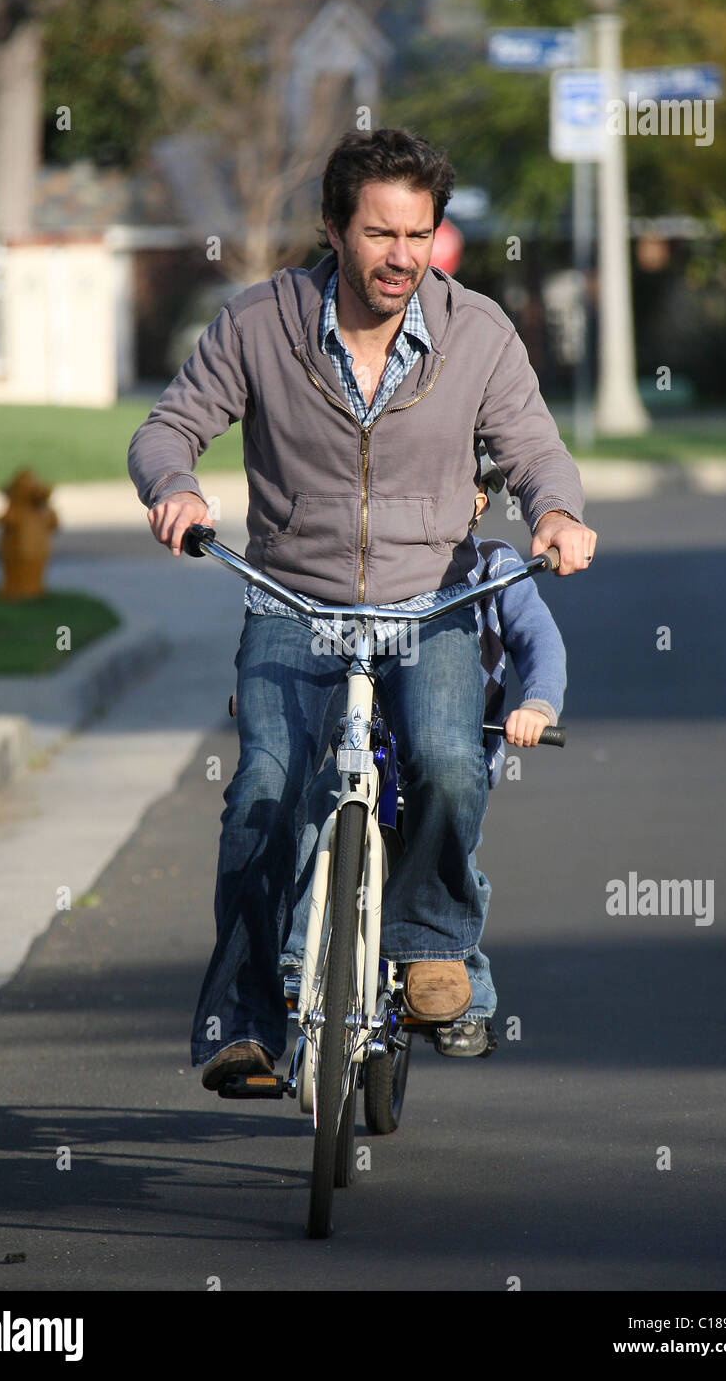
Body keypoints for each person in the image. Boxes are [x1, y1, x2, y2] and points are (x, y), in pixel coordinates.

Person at [127, 127, 597, 1092]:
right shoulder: (259, 323)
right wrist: (173, 485)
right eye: (380, 234)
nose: (401, 257)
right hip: (292, 599)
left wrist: (555, 511)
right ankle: (245, 1021)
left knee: (452, 761)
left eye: (418, 235)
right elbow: (168, 427)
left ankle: (432, 946)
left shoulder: (478, 334)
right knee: (263, 784)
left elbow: (535, 450)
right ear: (334, 230)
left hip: (434, 603)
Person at [273, 449, 567, 1058]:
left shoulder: (495, 567)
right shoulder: (367, 569)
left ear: (480, 502)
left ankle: (468, 1001)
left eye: (470, 490)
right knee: (314, 810)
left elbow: (539, 639)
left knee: (449, 849)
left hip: (451, 748)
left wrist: (536, 705)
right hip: (364, 745)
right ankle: (299, 956)